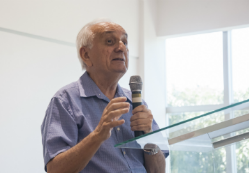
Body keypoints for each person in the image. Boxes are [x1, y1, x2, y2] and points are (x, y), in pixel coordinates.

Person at [41, 19, 168, 173]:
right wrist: (98, 135)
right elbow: (55, 170)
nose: (121, 47)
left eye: (125, 42)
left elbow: (158, 171)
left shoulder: (136, 103)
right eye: (110, 41)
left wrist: (149, 139)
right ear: (86, 54)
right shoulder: (65, 101)